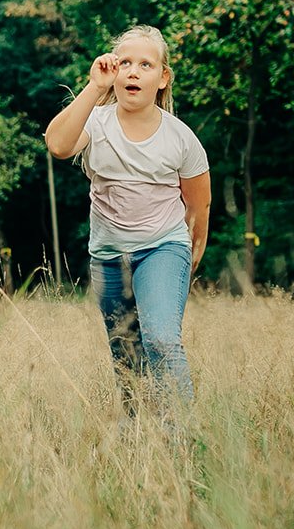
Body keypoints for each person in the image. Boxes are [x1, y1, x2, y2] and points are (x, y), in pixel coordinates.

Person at [43, 24, 211, 410]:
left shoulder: (181, 138)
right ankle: (137, 440)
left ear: (163, 78)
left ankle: (179, 440)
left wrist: (189, 258)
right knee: (127, 352)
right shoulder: (97, 123)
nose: (133, 71)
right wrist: (94, 88)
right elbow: (58, 144)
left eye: (146, 64)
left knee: (161, 339)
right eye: (125, 63)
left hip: (163, 249)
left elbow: (198, 205)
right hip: (109, 256)